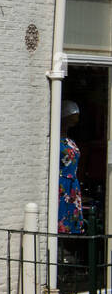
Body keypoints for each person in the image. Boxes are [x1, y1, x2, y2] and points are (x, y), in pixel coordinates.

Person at [59, 99, 84, 234]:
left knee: (72, 220)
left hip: (72, 184)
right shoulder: (55, 141)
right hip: (61, 184)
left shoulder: (70, 141)